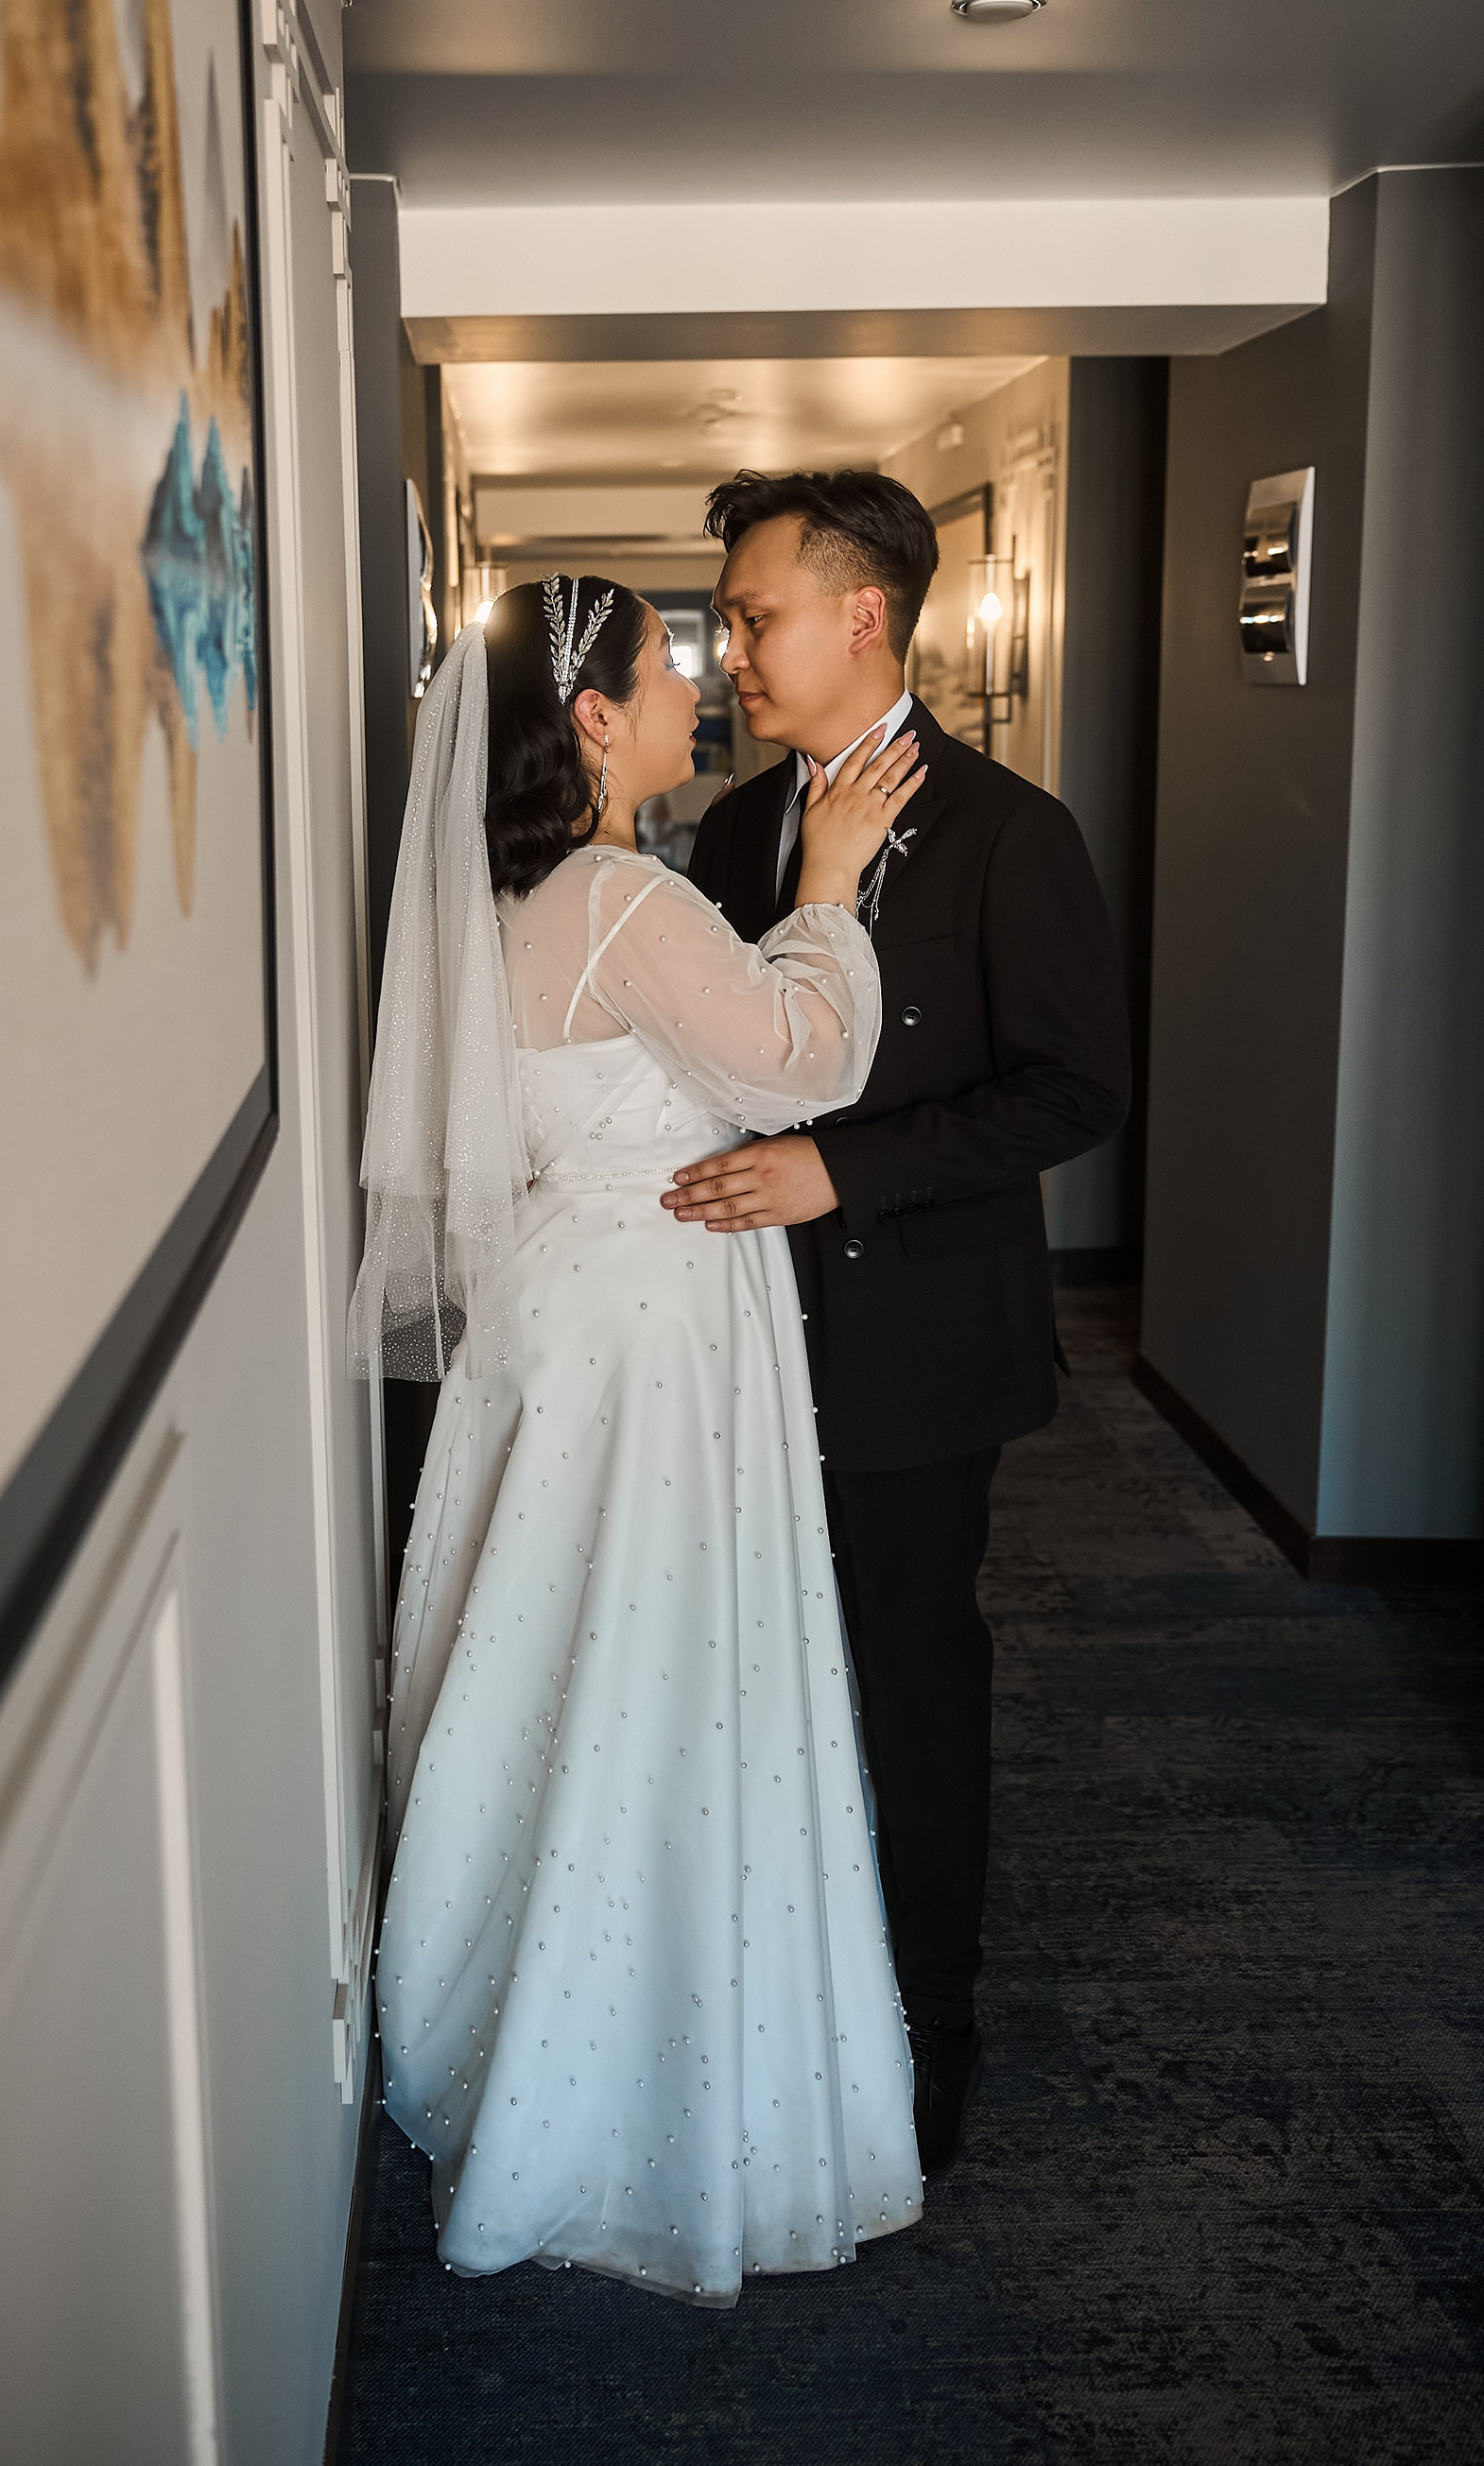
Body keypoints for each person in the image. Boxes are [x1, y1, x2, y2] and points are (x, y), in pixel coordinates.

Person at [351, 575, 926, 2304]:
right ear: (594, 719)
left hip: (557, 1317)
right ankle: (638, 2052)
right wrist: (827, 890)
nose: (698, 687)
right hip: (655, 1333)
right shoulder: (623, 897)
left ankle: (534, 1992)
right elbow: (799, 1066)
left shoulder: (510, 896)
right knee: (662, 1661)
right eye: (670, 667)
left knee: (561, 1646)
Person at [677, 471, 1133, 2179]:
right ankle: (773, 1979)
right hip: (734, 1335)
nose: (728, 652)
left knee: (912, 1676)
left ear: (862, 614)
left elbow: (1078, 1090)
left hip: (921, 1346)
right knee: (751, 1668)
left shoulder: (1014, 832)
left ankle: (933, 2014)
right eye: (726, 623)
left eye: (752, 617)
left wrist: (839, 1170)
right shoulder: (733, 829)